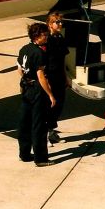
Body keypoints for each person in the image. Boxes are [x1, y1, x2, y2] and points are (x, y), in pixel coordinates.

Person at [17, 22, 56, 167]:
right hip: (36, 90)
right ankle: (40, 158)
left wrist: (25, 80)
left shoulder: (24, 49)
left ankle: (24, 154)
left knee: (24, 123)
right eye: (44, 35)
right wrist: (50, 95)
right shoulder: (39, 53)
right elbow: (41, 77)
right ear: (36, 36)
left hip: (26, 88)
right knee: (39, 125)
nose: (46, 37)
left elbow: (20, 69)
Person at [45, 11, 71, 145]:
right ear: (50, 24)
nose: (60, 24)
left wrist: (66, 77)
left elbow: (63, 60)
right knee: (50, 105)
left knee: (59, 105)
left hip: (59, 75)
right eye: (57, 22)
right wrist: (46, 82)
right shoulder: (46, 40)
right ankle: (46, 133)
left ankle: (52, 132)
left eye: (61, 22)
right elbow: (43, 63)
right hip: (50, 76)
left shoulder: (60, 37)